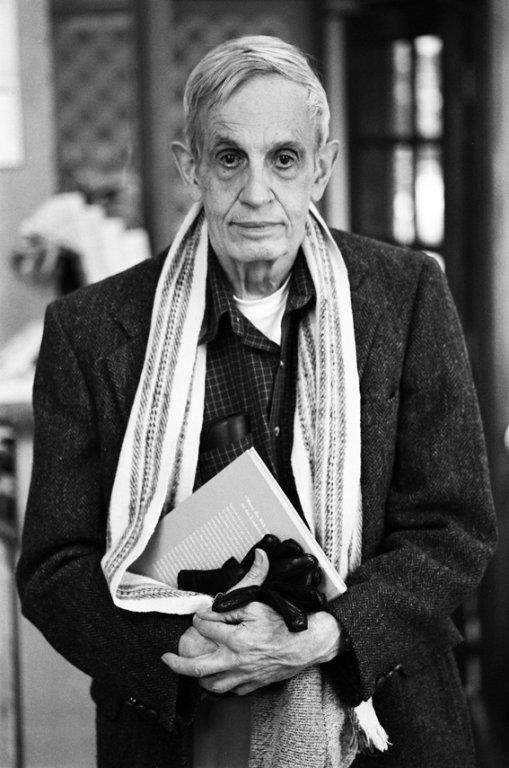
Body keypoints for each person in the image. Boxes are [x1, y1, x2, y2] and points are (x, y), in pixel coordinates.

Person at [17, 35, 496, 768]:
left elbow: (453, 527)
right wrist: (194, 648)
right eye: (229, 158)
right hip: (178, 724)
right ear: (191, 167)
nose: (256, 192)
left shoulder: (405, 298)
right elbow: (54, 567)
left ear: (321, 168)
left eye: (284, 159)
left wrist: (325, 636)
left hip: (383, 718)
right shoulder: (91, 329)